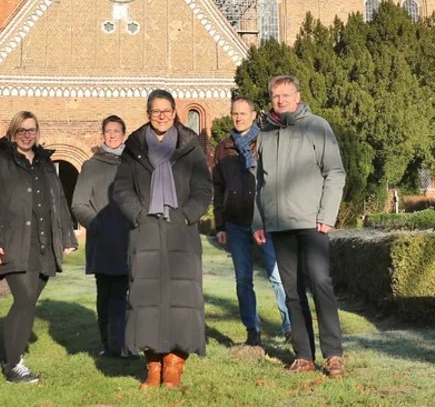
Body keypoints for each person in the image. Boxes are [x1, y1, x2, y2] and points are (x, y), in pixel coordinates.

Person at [113, 89, 213, 390]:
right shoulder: (134, 149)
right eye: (156, 111)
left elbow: (203, 188)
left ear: (174, 113)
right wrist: (138, 214)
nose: (161, 116)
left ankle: (174, 366)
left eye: (167, 110)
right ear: (148, 114)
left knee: (182, 298)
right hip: (145, 231)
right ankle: (153, 366)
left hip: (181, 231)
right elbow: (121, 189)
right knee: (146, 299)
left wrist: (187, 214)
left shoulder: (190, 147)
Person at [253, 75, 347, 378]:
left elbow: (335, 172)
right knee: (292, 292)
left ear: (298, 96)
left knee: (320, 283)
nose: (281, 100)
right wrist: (258, 221)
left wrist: (327, 215)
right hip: (279, 224)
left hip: (312, 222)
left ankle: (333, 354)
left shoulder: (317, 126)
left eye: (286, 95)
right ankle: (304, 356)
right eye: (276, 96)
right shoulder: (265, 134)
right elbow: (259, 182)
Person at [0, 111, 77, 385]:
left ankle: (13, 357)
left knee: (29, 302)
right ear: (12, 132)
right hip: (13, 242)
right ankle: (13, 365)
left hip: (43, 243)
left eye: (31, 130)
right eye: (21, 130)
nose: (26, 135)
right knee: (24, 300)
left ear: (37, 132)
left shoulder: (45, 164)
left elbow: (58, 199)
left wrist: (67, 236)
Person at [213, 96, 292, 348]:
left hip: (265, 221)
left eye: (243, 114)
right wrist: (220, 224)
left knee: (277, 275)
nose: (238, 118)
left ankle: (291, 327)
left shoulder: (266, 141)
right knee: (243, 280)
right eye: (234, 114)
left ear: (253, 115)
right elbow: (218, 188)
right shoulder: (223, 147)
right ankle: (252, 330)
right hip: (235, 222)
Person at [71, 115, 133, 359]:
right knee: (106, 294)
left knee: (124, 293)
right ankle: (109, 344)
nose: (112, 135)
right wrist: (97, 224)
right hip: (103, 240)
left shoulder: (132, 164)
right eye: (108, 131)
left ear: (124, 134)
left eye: (117, 131)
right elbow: (79, 204)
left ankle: (122, 344)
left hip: (129, 239)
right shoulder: (92, 166)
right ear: (103, 134)